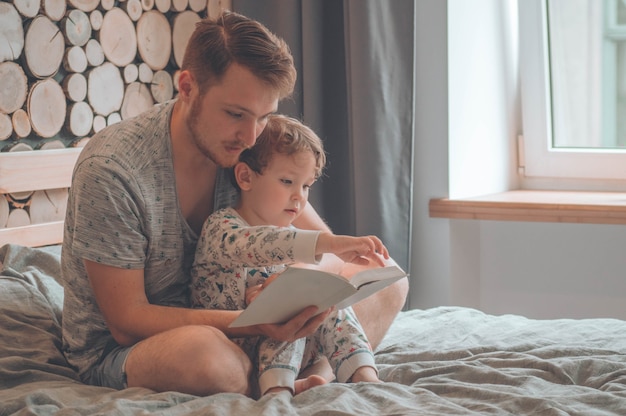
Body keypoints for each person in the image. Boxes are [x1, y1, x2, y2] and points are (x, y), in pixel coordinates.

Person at [61, 10, 408, 397]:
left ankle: (313, 375)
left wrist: (290, 283)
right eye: (235, 114)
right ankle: (283, 370)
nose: (250, 135)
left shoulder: (248, 148)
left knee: (387, 279)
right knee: (207, 356)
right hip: (133, 347)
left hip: (254, 329)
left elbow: (328, 250)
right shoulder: (113, 171)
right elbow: (126, 321)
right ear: (188, 87)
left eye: (265, 116)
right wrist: (256, 321)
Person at [191, 114, 386, 397]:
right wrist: (330, 243)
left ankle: (364, 375)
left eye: (306, 186)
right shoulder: (221, 227)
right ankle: (277, 390)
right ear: (245, 177)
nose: (299, 197)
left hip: (279, 338)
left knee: (330, 304)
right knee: (289, 311)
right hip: (230, 345)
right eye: (287, 181)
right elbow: (261, 244)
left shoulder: (291, 233)